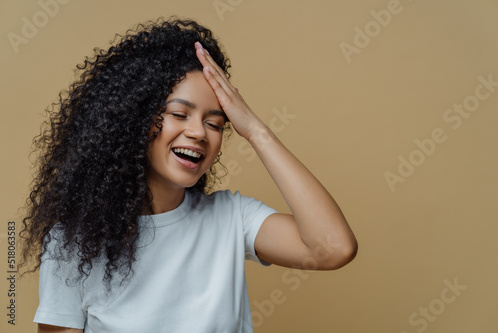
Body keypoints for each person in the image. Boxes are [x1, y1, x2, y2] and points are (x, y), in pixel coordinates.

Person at [20, 17, 358, 333]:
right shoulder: (74, 244)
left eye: (215, 123)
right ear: (133, 121)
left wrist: (256, 131)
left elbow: (333, 249)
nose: (198, 133)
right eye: (180, 114)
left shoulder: (232, 218)